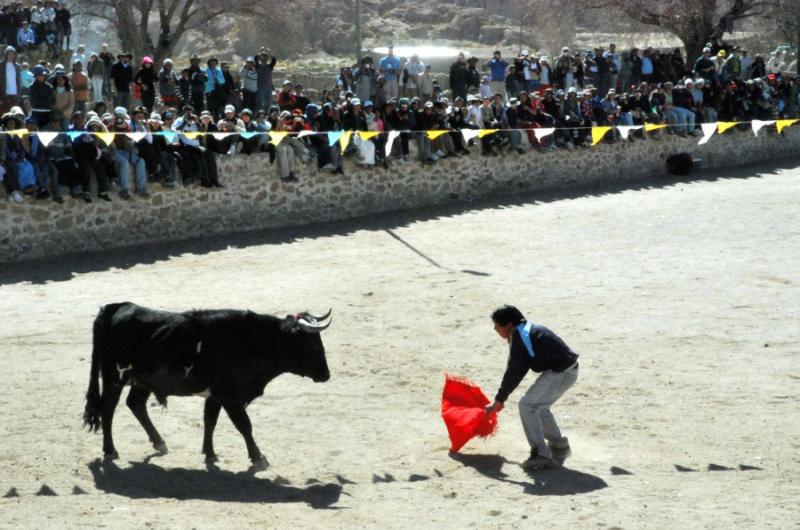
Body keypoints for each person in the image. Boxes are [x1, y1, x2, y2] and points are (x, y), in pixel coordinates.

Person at [486, 305, 579, 471]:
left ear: (508, 324)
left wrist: (500, 399)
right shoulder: (525, 331)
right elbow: (516, 369)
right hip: (565, 370)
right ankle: (559, 446)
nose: (495, 329)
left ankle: (542, 455)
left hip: (561, 373)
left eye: (496, 325)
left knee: (527, 406)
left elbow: (515, 371)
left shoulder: (521, 336)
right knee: (539, 406)